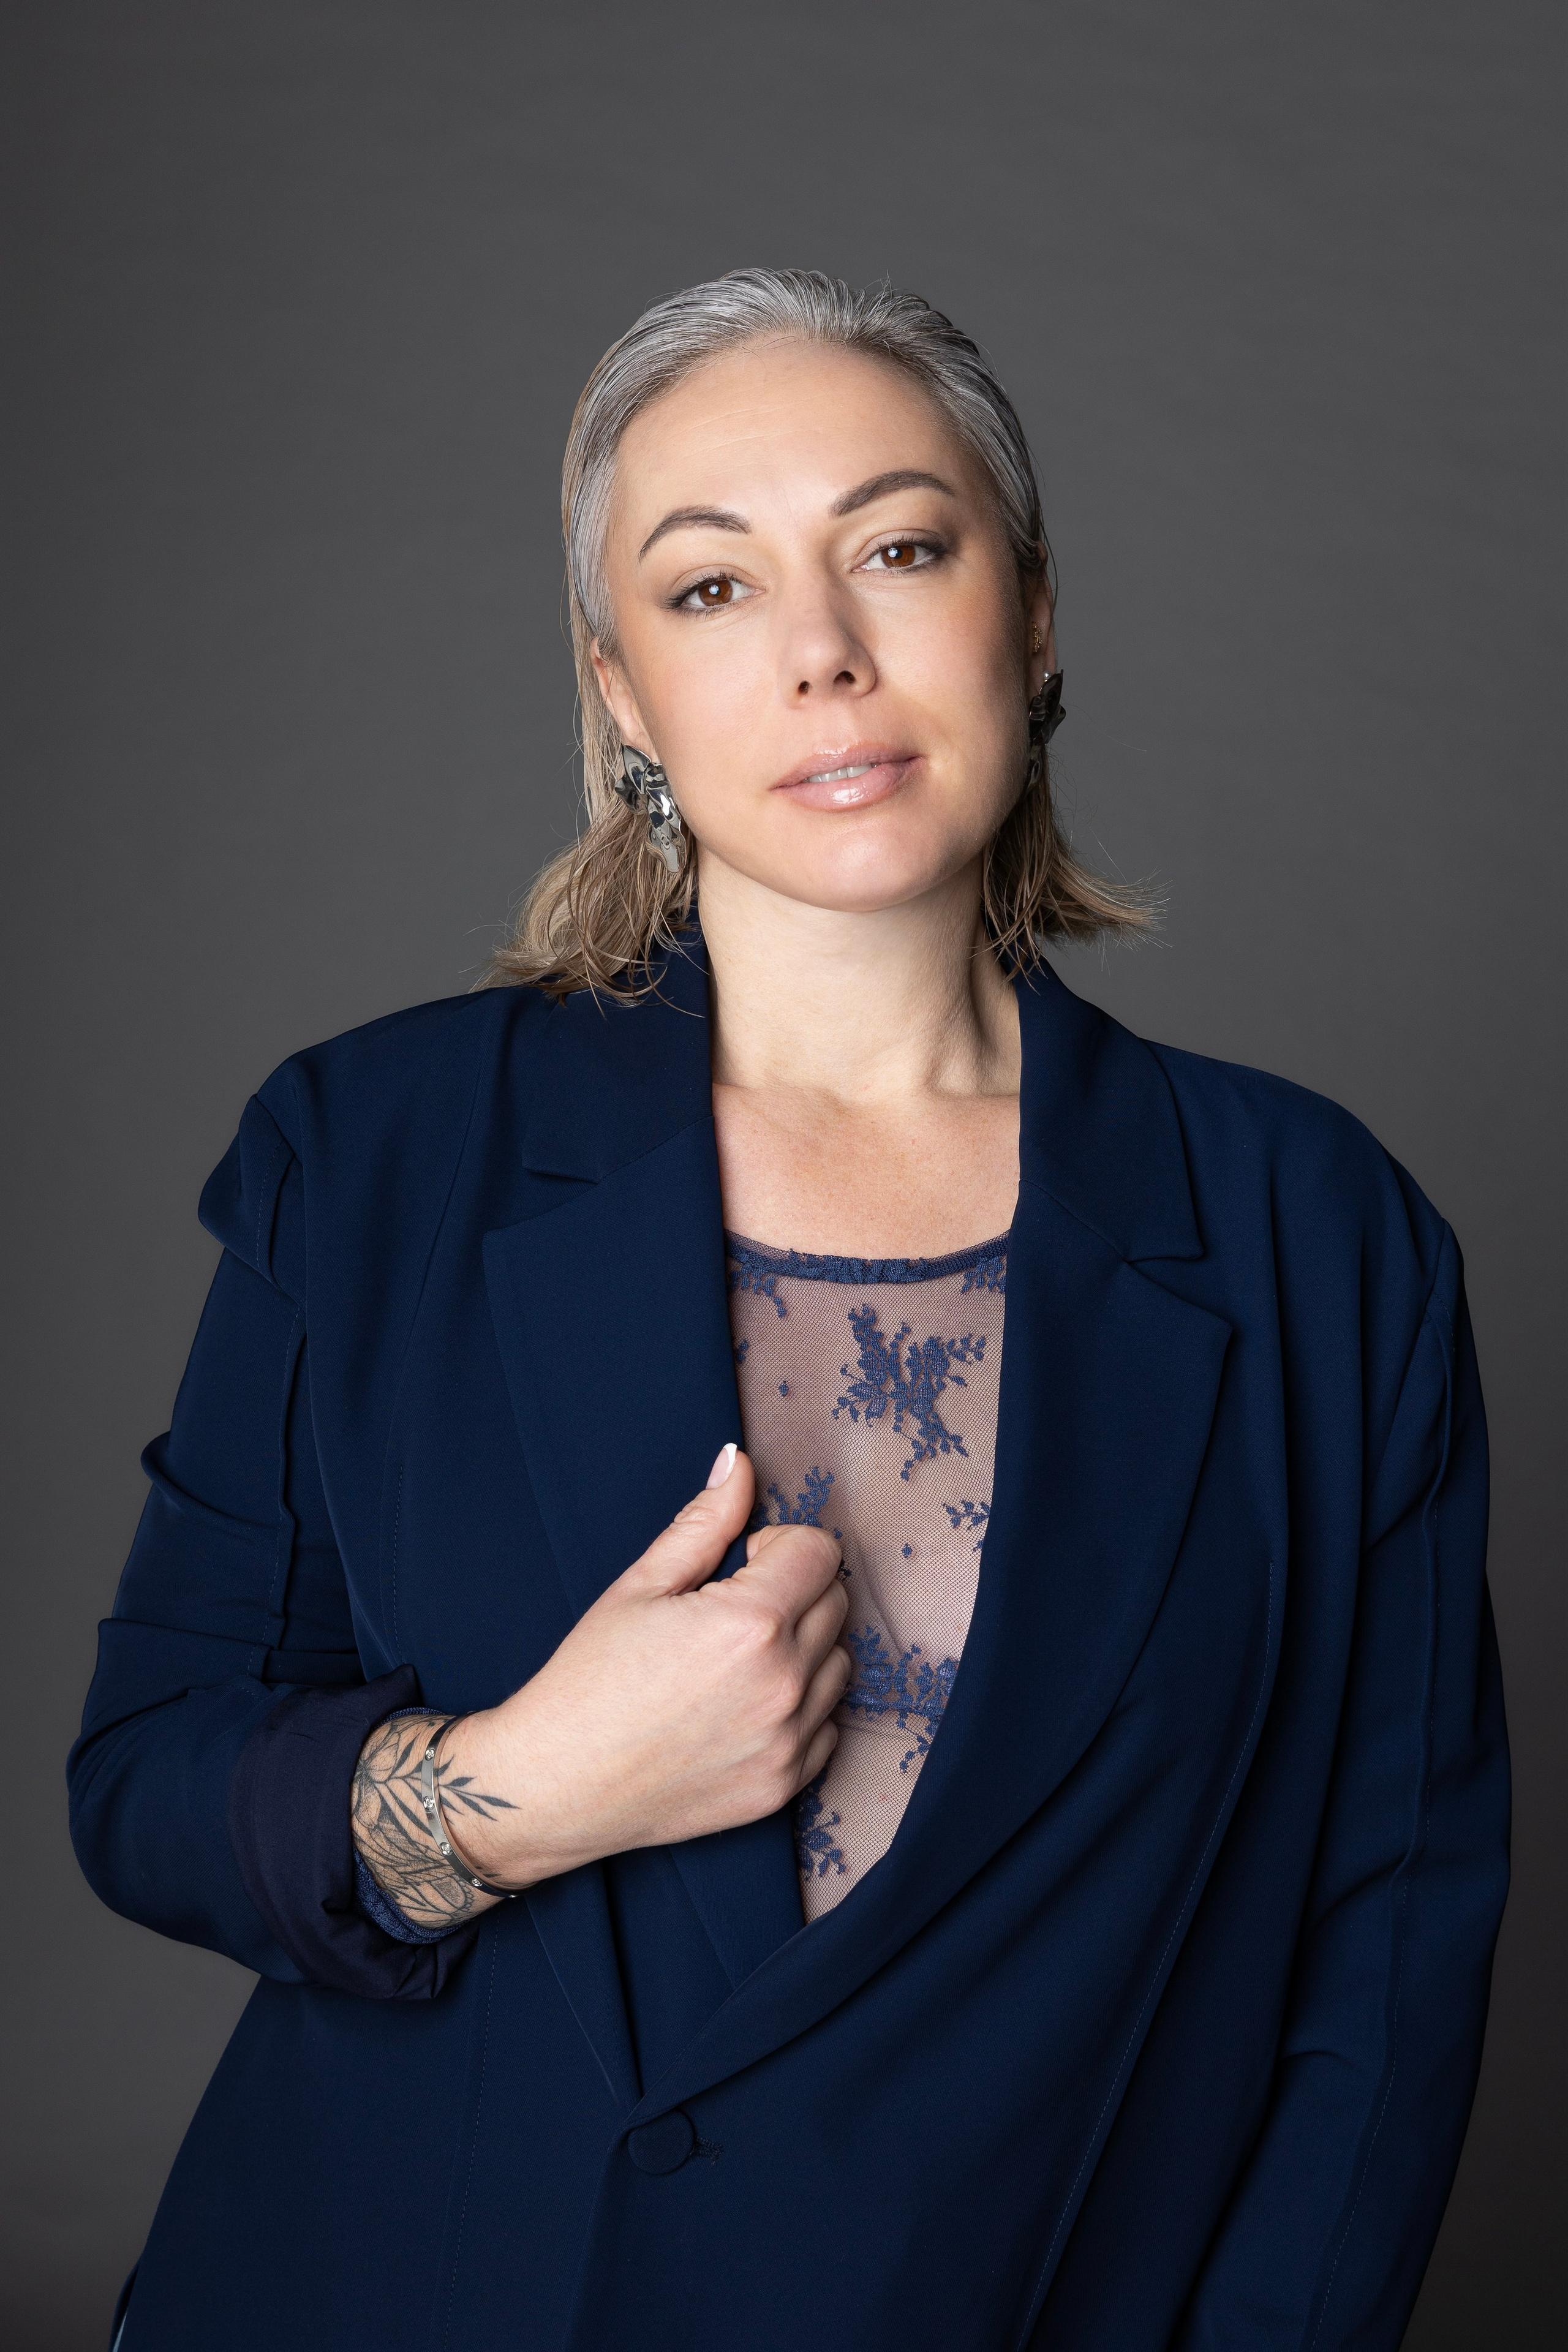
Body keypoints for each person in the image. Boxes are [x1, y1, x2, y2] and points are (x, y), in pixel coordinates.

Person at [69, 267, 1509, 2352]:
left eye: (900, 551)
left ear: (1028, 616)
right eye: (714, 590)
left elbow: (1376, 1977)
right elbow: (149, 1783)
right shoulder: (362, 1149)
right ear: (624, 694)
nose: (825, 653)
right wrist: (528, 1787)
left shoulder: (1324, 1238)